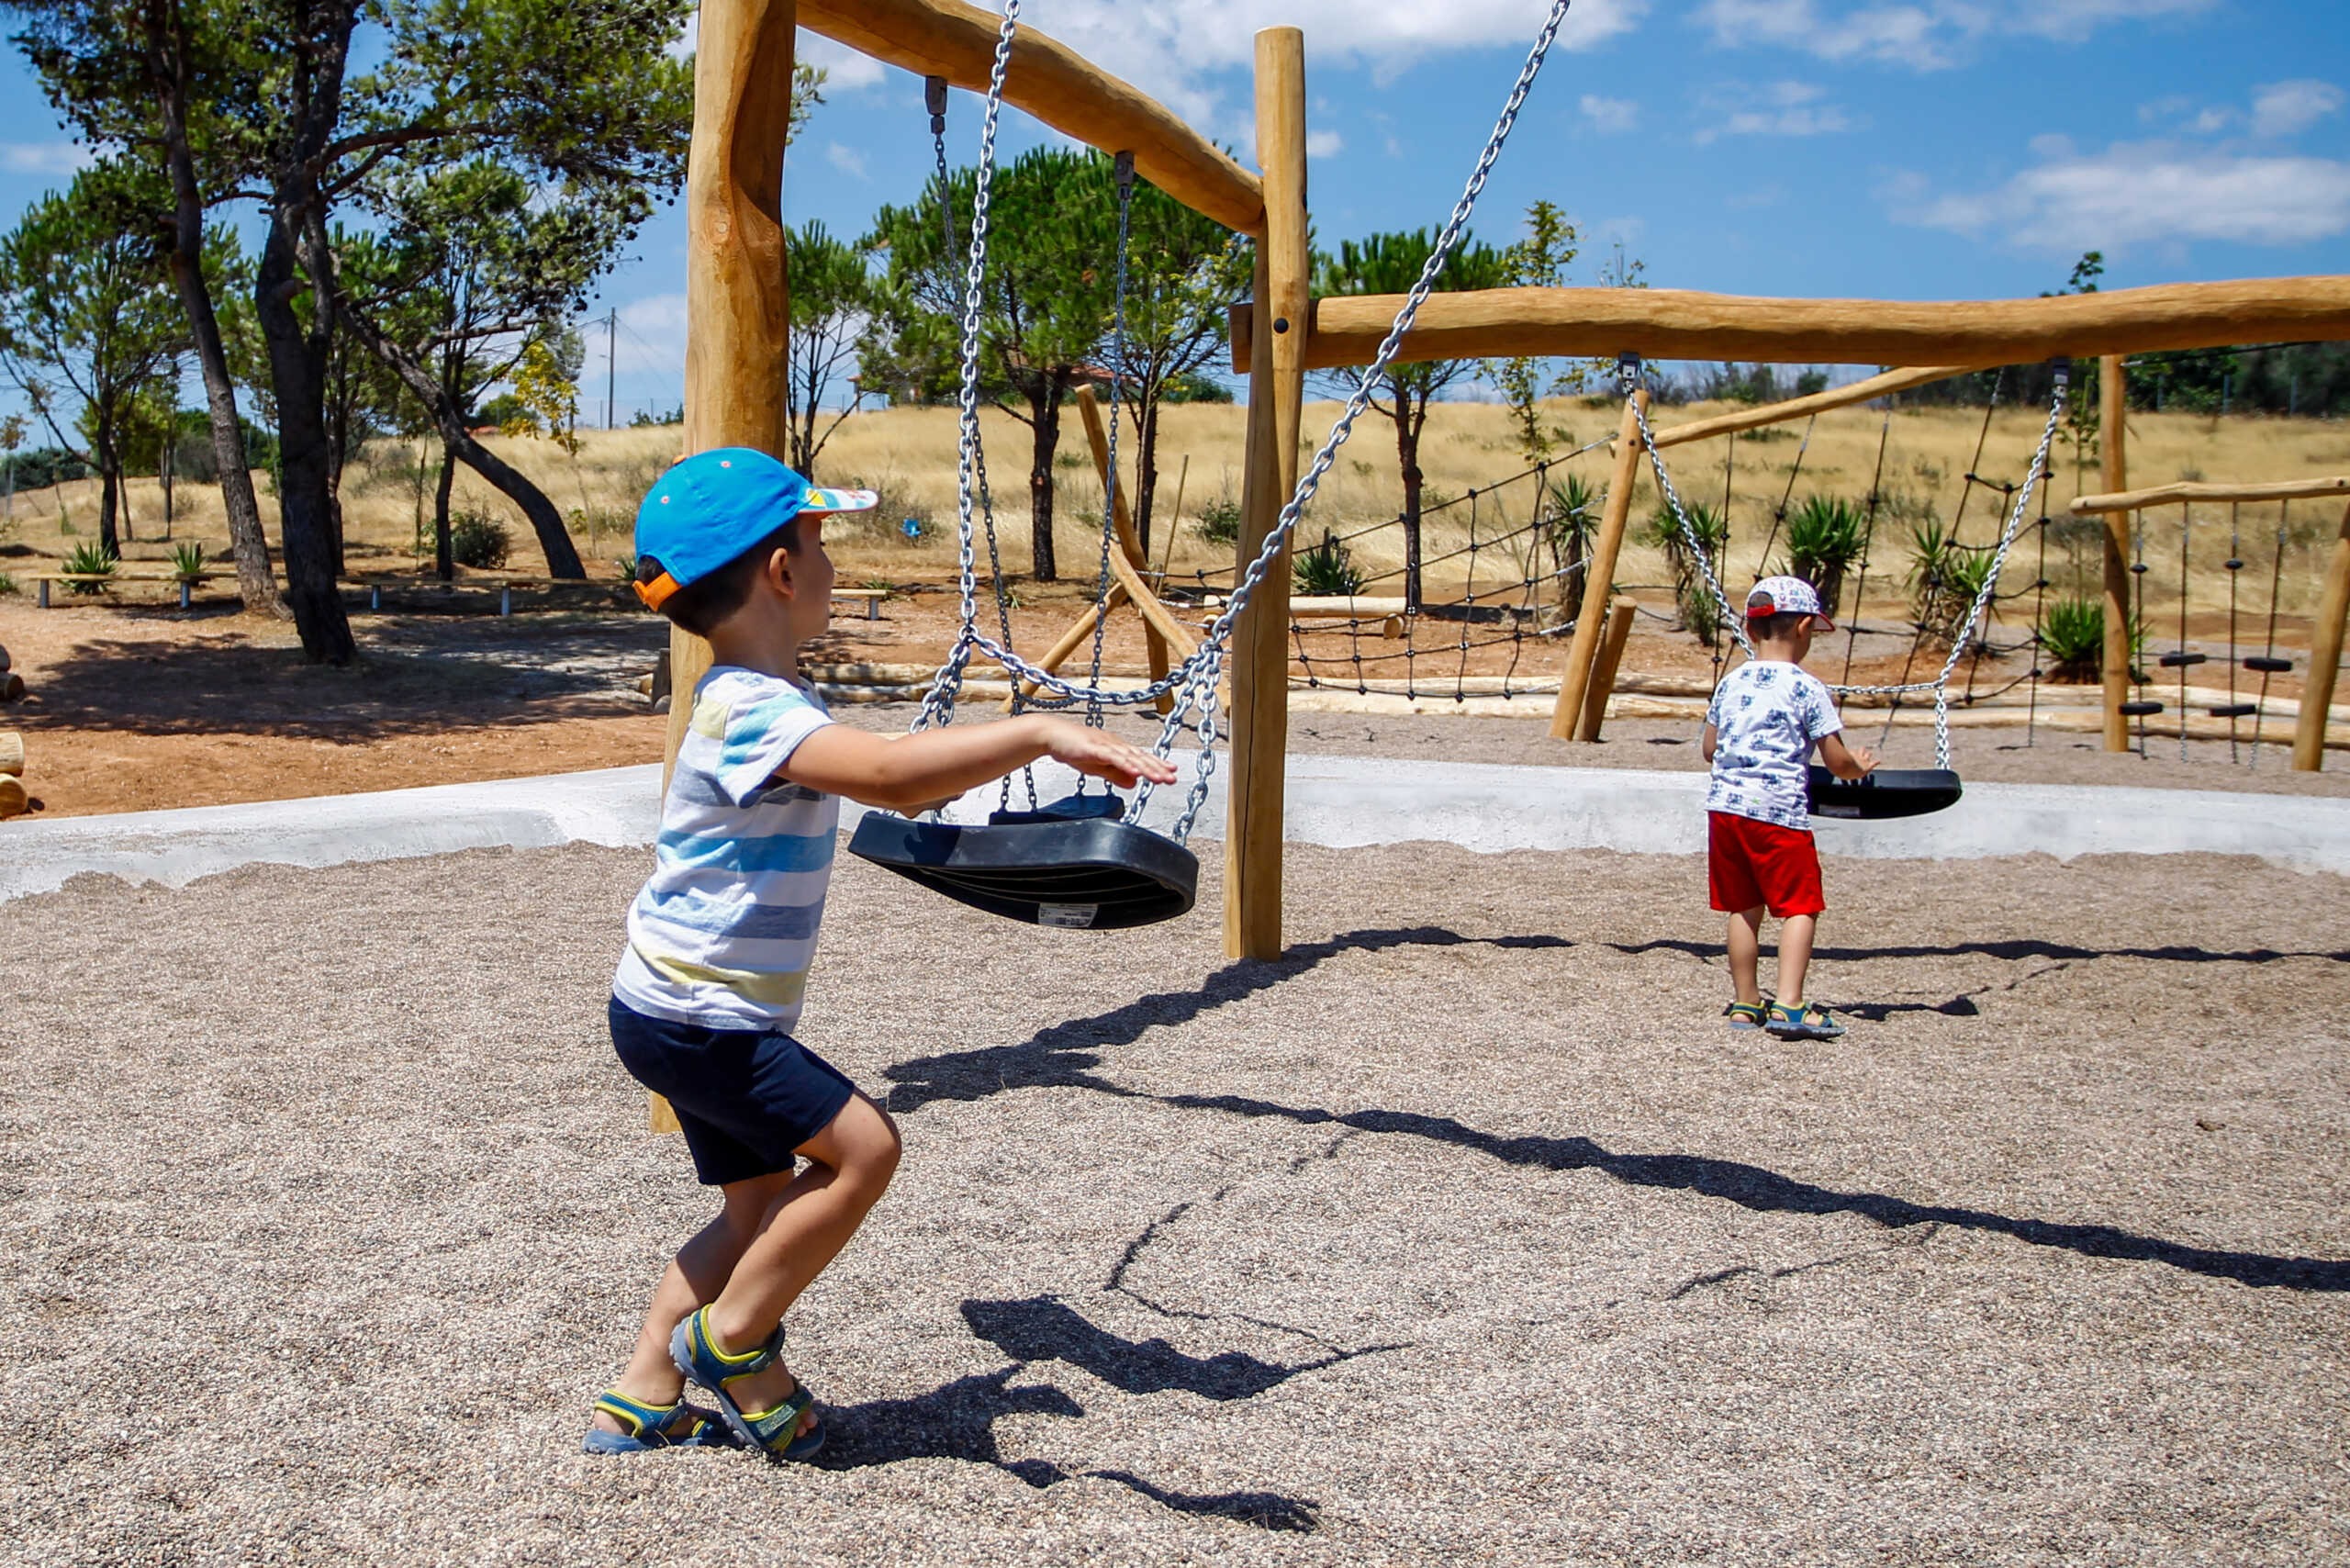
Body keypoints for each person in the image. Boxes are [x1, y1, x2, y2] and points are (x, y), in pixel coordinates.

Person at [586, 448, 1175, 1460]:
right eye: (818, 542)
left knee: (760, 1203)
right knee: (867, 1149)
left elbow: (893, 774)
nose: (829, 562)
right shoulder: (747, 708)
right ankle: (734, 1343)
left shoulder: (763, 696)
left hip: (677, 1008)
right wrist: (1037, 732)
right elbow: (896, 779)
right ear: (778, 571)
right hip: (701, 1018)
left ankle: (646, 1383)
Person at [1700, 575, 1877, 1041]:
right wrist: (1857, 768)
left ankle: (1745, 1001)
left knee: (1742, 906)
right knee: (1800, 906)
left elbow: (1709, 748)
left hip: (1725, 810)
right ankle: (1791, 1004)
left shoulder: (1730, 683)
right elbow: (1835, 760)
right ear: (1803, 628)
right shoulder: (1806, 687)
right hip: (1778, 813)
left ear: (1752, 630)